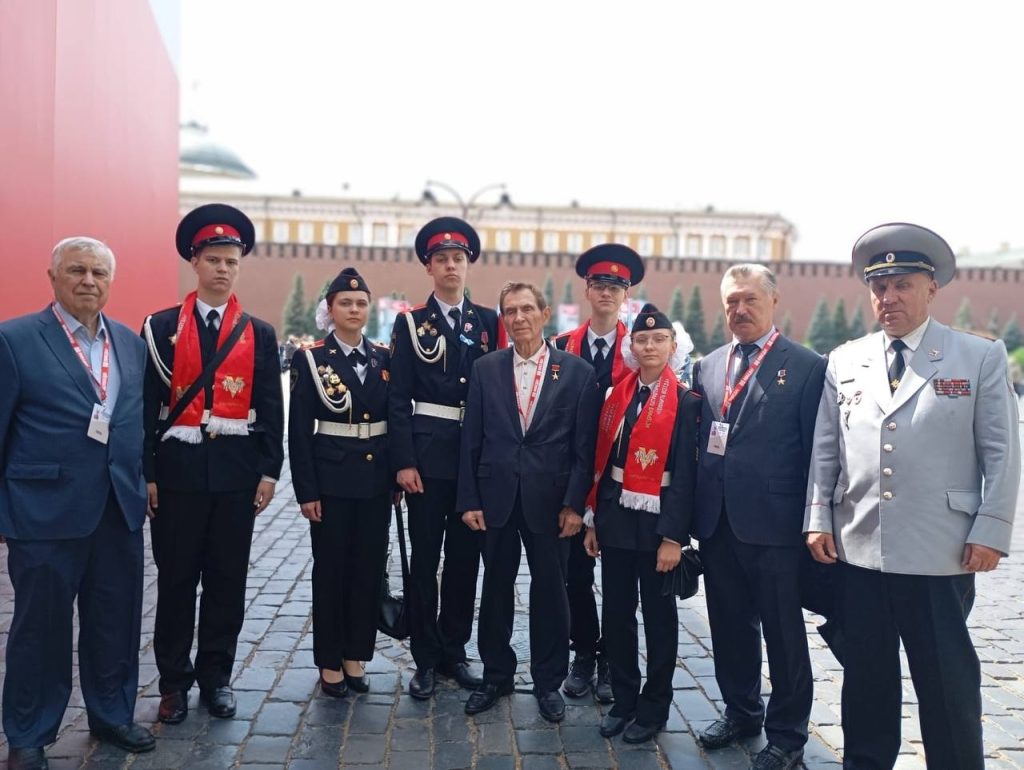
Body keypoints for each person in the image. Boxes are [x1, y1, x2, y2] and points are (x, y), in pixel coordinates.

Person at [804, 222, 1021, 770]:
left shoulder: (977, 356)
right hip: (861, 549)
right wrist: (818, 517)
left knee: (946, 681)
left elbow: (1001, 451)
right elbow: (826, 449)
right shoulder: (845, 360)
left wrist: (991, 529)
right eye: (879, 287)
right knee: (866, 679)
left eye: (902, 285)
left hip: (939, 549)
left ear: (931, 288)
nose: (889, 297)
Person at [0, 237, 155, 770]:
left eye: (98, 272)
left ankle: (111, 713)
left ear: (111, 281)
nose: (89, 280)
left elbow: (134, 424)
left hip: (117, 508)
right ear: (53, 277)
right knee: (40, 628)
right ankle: (28, 734)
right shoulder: (14, 340)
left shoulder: (130, 344)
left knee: (116, 621)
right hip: (43, 512)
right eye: (76, 270)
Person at [143, 204, 284, 724]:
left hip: (234, 477)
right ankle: (173, 683)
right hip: (177, 477)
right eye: (214, 259)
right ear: (195, 263)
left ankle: (216, 678)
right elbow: (145, 408)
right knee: (176, 583)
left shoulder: (258, 333)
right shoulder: (160, 328)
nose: (223, 269)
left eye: (231, 261)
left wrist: (269, 472)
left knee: (227, 582)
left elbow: (270, 407)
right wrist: (148, 474)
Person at [691, 264, 826, 770]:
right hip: (718, 523)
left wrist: (816, 519)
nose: (740, 310)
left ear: (773, 301)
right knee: (728, 627)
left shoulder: (807, 366)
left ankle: (788, 736)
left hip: (776, 526)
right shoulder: (708, 366)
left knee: (783, 635)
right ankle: (741, 711)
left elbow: (819, 452)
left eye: (750, 299)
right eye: (731, 301)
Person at [457, 281, 601, 722]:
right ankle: (496, 675)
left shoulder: (576, 372)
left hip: (551, 502)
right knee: (495, 589)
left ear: (544, 314)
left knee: (551, 592)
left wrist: (575, 506)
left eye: (526, 309)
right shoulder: (485, 369)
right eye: (510, 311)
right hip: (496, 496)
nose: (518, 318)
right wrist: (469, 499)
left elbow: (583, 448)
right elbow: (472, 439)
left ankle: (548, 681)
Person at [388, 217, 499, 699]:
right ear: (428, 267)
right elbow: (398, 399)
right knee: (425, 557)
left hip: (474, 459)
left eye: (458, 258)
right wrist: (404, 460)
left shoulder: (489, 322)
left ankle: (455, 649)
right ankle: (425, 657)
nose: (451, 266)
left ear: (467, 265)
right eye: (442, 259)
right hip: (428, 459)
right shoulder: (411, 323)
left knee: (465, 560)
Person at [582, 304, 701, 743]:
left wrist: (673, 537)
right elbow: (601, 461)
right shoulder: (618, 395)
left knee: (659, 617)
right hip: (616, 516)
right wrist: (593, 520)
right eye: (642, 339)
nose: (650, 346)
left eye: (658, 339)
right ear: (631, 346)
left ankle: (654, 707)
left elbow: (686, 477)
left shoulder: (686, 402)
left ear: (673, 346)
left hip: (657, 522)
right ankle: (624, 699)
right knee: (616, 613)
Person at [288, 267, 393, 697]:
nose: (353, 309)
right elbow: (298, 431)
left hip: (376, 482)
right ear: (330, 310)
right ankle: (330, 660)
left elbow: (395, 420)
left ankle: (356, 655)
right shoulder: (312, 359)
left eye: (361, 303)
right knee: (331, 571)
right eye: (345, 303)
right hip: (331, 481)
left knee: (368, 569)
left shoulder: (384, 358)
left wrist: (396, 477)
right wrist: (307, 491)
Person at [553, 242, 644, 702]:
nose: (606, 292)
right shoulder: (561, 347)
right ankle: (585, 652)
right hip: (572, 479)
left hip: (621, 483)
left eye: (615, 286)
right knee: (574, 574)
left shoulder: (639, 350)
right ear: (587, 290)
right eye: (599, 284)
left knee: (621, 578)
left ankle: (613, 656)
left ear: (626, 294)